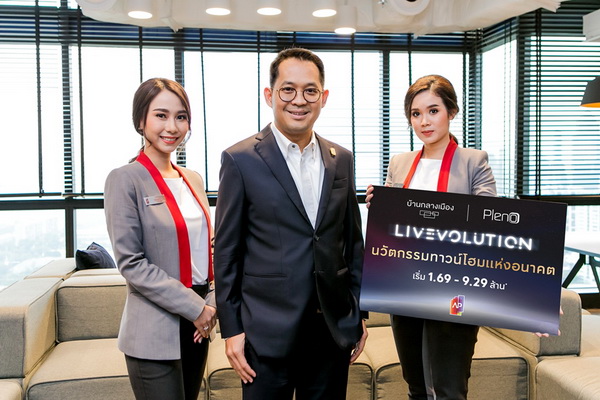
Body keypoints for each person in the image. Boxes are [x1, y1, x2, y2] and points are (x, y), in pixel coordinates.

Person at [214, 47, 368, 400]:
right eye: (288, 89)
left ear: (323, 97)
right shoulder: (240, 160)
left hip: (331, 331)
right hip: (265, 333)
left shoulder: (341, 159)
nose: (299, 100)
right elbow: (226, 252)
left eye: (310, 91)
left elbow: (352, 242)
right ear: (270, 95)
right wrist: (231, 329)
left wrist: (359, 313)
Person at [366, 74, 496, 400]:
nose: (424, 121)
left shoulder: (474, 161)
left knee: (449, 389)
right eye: (416, 113)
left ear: (451, 112)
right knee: (415, 386)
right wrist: (380, 205)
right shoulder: (400, 163)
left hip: (455, 288)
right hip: (405, 286)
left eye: (433, 111)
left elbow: (490, 224)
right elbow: (392, 230)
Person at [104, 78, 217, 400]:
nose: (172, 127)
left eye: (181, 117)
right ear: (140, 120)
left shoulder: (192, 179)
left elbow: (210, 249)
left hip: (199, 324)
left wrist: (211, 302)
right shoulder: (124, 179)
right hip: (154, 329)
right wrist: (195, 307)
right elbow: (131, 263)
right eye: (161, 115)